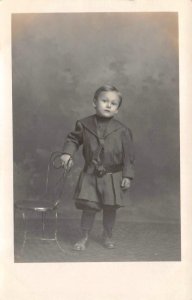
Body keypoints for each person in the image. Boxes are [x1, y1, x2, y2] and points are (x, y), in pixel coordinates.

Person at [61, 85, 135, 251]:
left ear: (117, 109)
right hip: (90, 175)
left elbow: (128, 156)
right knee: (89, 207)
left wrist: (127, 176)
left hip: (113, 176)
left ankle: (107, 235)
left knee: (110, 208)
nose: (108, 105)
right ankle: (84, 236)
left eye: (113, 103)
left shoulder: (122, 130)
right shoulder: (84, 124)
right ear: (94, 102)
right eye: (104, 101)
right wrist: (67, 154)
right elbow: (73, 140)